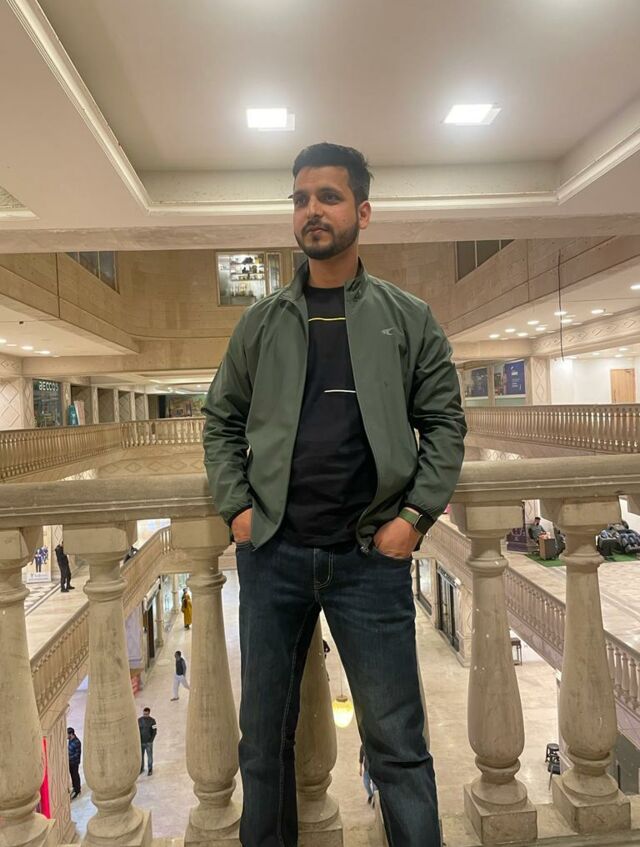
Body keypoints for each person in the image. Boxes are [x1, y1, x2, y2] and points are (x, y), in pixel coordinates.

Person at [203, 142, 466, 847]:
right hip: (274, 555)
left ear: (363, 212)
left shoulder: (407, 318)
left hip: (370, 560)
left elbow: (445, 422)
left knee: (398, 746)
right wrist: (237, 509)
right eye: (300, 199)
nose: (311, 210)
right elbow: (220, 419)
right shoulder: (261, 323)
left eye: (328, 196)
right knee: (263, 745)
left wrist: (415, 517)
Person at [138, 707, 157, 775]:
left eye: (146, 714)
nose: (145, 715)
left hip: (148, 743)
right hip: (141, 742)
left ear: (149, 713)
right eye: (144, 714)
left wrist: (151, 740)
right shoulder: (139, 720)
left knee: (149, 756)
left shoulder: (153, 721)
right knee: (141, 756)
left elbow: (154, 731)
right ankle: (141, 768)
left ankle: (150, 769)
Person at [67, 727, 82, 798]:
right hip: (70, 762)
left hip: (75, 763)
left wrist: (68, 758)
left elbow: (77, 755)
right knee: (72, 775)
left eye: (67, 734)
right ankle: (74, 787)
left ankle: (77, 790)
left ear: (71, 734)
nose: (66, 736)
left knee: (75, 776)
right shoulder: (70, 740)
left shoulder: (77, 742)